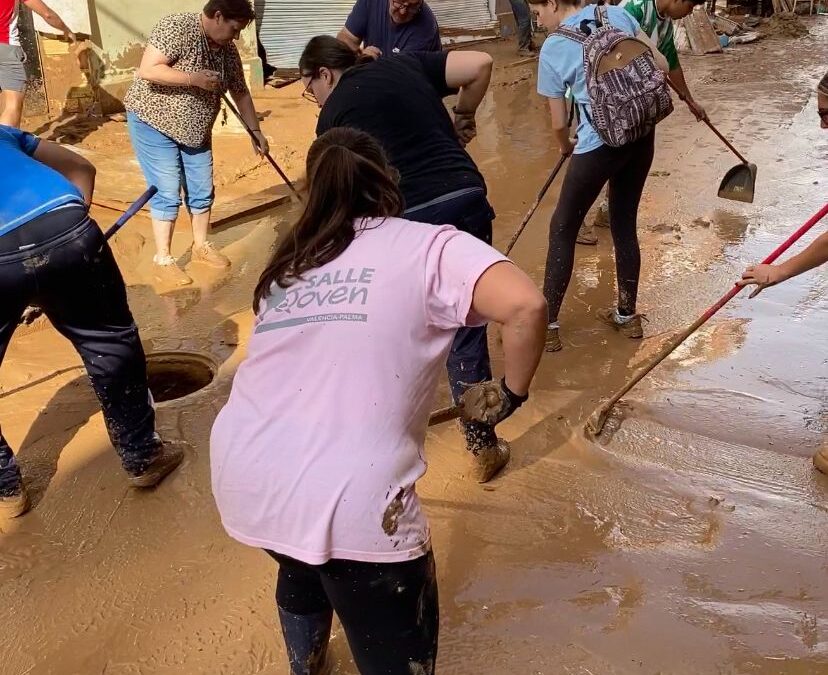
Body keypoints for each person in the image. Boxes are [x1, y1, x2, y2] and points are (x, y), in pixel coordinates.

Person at [211, 126, 547, 675]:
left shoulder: (286, 271)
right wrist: (509, 393)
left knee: (302, 555)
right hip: (355, 496)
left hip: (243, 472)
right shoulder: (430, 244)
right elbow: (526, 306)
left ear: (312, 193)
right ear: (391, 184)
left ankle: (305, 663)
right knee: (384, 628)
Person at [299, 35, 509, 481]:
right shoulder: (406, 64)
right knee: (467, 329)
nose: (314, 102)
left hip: (407, 218)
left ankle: (384, 446)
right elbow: (480, 63)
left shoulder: (333, 120)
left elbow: (344, 201)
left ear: (324, 74)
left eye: (309, 90)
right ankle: (482, 445)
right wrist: (462, 119)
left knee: (398, 327)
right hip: (465, 194)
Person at [0, 125, 183, 519]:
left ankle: (5, 490)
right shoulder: (2, 132)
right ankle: (142, 456)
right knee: (109, 342)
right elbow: (81, 167)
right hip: (65, 226)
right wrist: (67, 244)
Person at [528, 0, 670, 352]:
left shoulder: (554, 47)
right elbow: (662, 65)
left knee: (563, 227)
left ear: (552, 3)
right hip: (640, 134)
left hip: (598, 145)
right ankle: (627, 316)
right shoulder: (617, 15)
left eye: (537, 12)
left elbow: (559, 123)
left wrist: (564, 146)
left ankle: (547, 327)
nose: (538, 21)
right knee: (624, 223)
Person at [125, 0, 268, 287]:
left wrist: (255, 131)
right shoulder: (177, 27)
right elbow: (148, 69)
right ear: (218, 16)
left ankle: (201, 245)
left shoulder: (226, 49)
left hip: (195, 130)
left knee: (202, 187)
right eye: (235, 29)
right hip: (154, 122)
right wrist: (194, 79)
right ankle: (163, 260)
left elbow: (240, 93)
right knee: (167, 189)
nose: (237, 37)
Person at [0, 0, 75, 127]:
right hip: (6, 47)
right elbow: (47, 14)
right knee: (13, 104)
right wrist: (66, 30)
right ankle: (5, 144)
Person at [337, 0, 440, 58]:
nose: (403, 12)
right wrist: (359, 56)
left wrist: (366, 63)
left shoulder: (426, 26)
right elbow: (346, 39)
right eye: (399, 3)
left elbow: (400, 77)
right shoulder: (370, 2)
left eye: (412, 7)